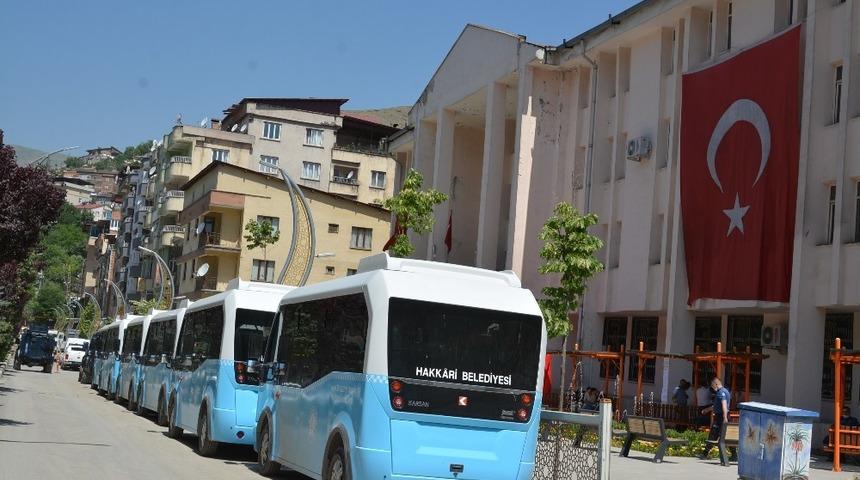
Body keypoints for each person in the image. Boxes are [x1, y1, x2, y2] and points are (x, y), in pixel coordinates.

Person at [700, 377, 731, 459]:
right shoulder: (726, 391)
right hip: (724, 416)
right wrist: (707, 410)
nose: (712, 387)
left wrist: (724, 417)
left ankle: (704, 454)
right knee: (727, 436)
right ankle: (734, 455)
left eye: (712, 385)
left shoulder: (721, 392)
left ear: (716, 384)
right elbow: (717, 405)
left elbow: (724, 404)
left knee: (713, 434)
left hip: (720, 417)